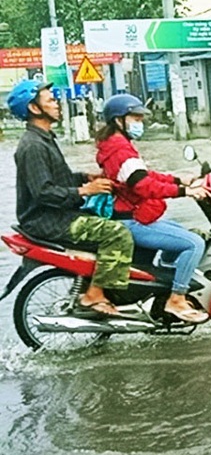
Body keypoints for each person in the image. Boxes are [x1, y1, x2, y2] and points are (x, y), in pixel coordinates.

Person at [9, 80, 134, 317]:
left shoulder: (45, 138)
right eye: (50, 100)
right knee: (118, 234)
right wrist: (86, 190)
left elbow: (59, 179)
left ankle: (98, 286)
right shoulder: (32, 146)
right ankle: (94, 295)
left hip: (59, 214)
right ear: (34, 108)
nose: (57, 104)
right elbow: (44, 192)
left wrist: (85, 177)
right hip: (48, 220)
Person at [95, 94, 210, 323]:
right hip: (131, 220)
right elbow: (144, 186)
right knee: (194, 243)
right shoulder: (120, 149)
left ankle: (163, 284)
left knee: (178, 229)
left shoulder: (117, 145)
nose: (140, 123)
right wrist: (184, 192)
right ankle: (177, 298)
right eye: (136, 118)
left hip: (128, 215)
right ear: (119, 120)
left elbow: (145, 175)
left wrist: (179, 179)